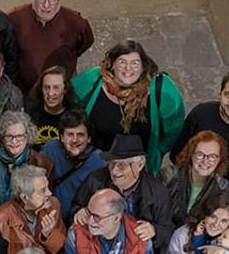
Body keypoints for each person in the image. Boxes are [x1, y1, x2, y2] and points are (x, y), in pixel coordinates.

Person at [70, 40, 185, 174]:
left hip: (138, 168)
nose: (128, 68)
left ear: (143, 66)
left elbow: (175, 127)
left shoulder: (162, 88)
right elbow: (68, 98)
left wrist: (158, 150)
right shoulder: (94, 78)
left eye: (135, 63)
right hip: (97, 165)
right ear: (112, 64)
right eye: (122, 62)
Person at [71, 134, 175, 254]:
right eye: (112, 163)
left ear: (140, 165)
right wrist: (79, 212)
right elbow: (75, 207)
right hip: (98, 251)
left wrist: (154, 231)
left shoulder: (158, 192)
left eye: (122, 165)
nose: (114, 171)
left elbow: (168, 230)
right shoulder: (95, 180)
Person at [7, 0, 95, 87]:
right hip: (24, 90)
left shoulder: (76, 23)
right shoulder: (15, 18)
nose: (46, 5)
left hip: (60, 91)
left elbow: (85, 43)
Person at [0, 110, 55, 203]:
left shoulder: (42, 163)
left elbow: (46, 199)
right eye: (9, 136)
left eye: (19, 136)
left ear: (27, 136)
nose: (14, 142)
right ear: (2, 137)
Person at [0, 165, 67, 254]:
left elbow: (63, 248)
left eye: (47, 187)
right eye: (43, 190)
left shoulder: (53, 205)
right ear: (25, 198)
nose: (49, 193)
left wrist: (48, 234)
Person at [41, 109, 107, 219]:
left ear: (89, 138)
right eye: (70, 134)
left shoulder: (100, 160)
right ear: (61, 137)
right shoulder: (50, 149)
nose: (75, 140)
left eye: (80, 135)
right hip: (49, 217)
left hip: (80, 221)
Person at [165, 130, 229, 228]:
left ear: (219, 160)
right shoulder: (169, 175)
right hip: (162, 235)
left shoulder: (222, 187)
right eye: (200, 154)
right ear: (191, 155)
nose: (205, 161)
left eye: (213, 156)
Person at [25, 65, 72, 149]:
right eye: (46, 88)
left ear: (65, 89)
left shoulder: (73, 116)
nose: (50, 93)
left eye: (56, 88)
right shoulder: (29, 113)